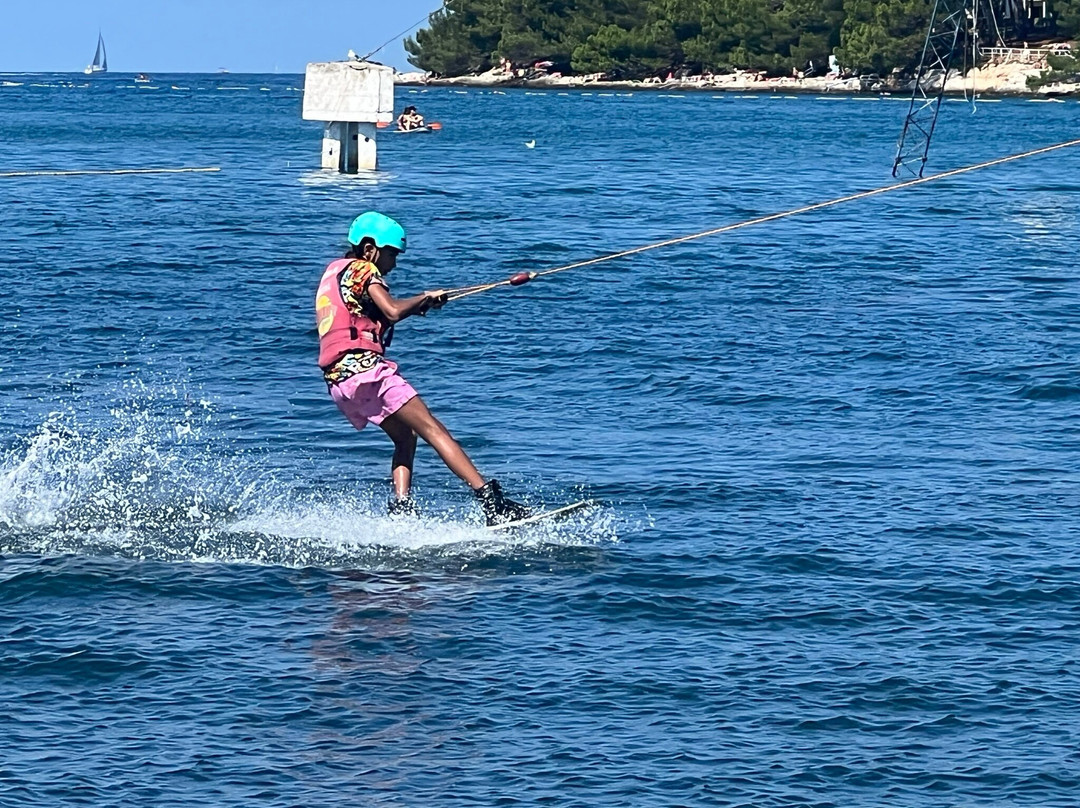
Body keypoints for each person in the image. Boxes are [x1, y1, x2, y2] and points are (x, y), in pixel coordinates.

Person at [315, 211, 530, 525]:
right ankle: (491, 502)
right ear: (370, 248)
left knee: (406, 437)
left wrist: (422, 304)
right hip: (366, 371)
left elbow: (379, 315)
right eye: (391, 254)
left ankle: (401, 510)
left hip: (339, 381)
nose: (394, 263)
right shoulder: (364, 268)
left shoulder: (336, 272)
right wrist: (422, 298)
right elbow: (391, 309)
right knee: (434, 429)